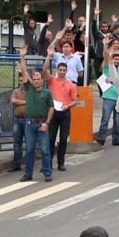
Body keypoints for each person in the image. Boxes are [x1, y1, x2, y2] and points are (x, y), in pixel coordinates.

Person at [18, 46, 55, 182]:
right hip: (30, 123)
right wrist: (22, 57)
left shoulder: (47, 93)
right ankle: (28, 174)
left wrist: (47, 123)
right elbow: (24, 72)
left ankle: (47, 172)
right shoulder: (29, 88)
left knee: (45, 149)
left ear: (42, 80)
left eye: (39, 78)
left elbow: (51, 108)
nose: (36, 80)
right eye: (34, 79)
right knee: (29, 150)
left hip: (42, 122)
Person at [44, 36, 79, 171]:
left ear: (67, 71)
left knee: (63, 138)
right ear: (57, 70)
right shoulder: (53, 80)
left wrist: (67, 106)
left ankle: (61, 162)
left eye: (64, 71)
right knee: (51, 137)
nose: (62, 72)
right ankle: (49, 163)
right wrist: (49, 55)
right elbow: (45, 70)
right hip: (54, 111)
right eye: (60, 70)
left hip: (65, 112)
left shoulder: (70, 85)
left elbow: (75, 101)